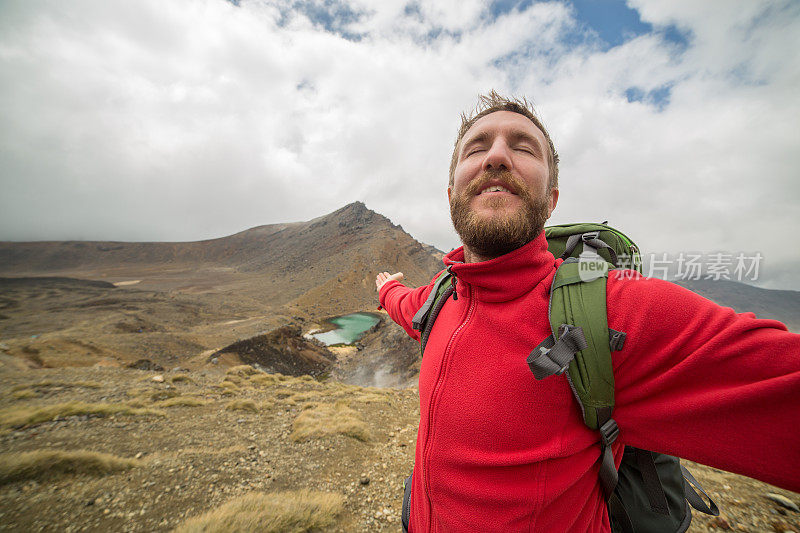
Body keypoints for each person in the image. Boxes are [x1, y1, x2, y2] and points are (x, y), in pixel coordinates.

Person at [375, 91, 800, 532]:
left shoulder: (615, 309)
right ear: (451, 192)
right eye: (477, 147)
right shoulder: (442, 299)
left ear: (552, 198)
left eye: (522, 147)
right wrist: (386, 287)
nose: (497, 156)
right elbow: (406, 305)